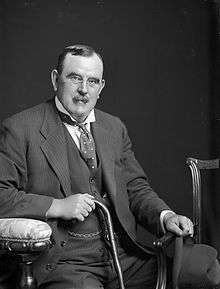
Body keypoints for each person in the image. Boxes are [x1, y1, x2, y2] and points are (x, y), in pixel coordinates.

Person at [0, 44, 193, 289]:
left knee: (201, 269)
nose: (83, 90)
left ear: (101, 87)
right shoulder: (19, 128)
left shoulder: (114, 127)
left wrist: (165, 216)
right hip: (65, 263)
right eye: (75, 78)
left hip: (123, 257)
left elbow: (134, 187)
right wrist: (57, 206)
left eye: (92, 81)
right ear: (55, 79)